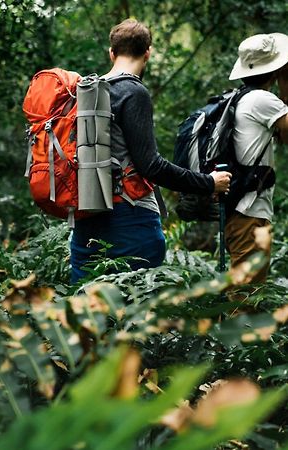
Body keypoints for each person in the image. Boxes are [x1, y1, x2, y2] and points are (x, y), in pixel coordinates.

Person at [70, 18, 231, 284]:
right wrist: (208, 183)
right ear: (148, 53)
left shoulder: (88, 91)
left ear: (111, 53)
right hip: (130, 218)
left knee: (89, 311)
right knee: (136, 311)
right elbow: (151, 166)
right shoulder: (134, 92)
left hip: (85, 217)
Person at [225, 33, 288, 283]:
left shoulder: (242, 98)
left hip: (243, 211)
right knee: (244, 300)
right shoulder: (263, 100)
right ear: (274, 71)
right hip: (249, 213)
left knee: (243, 295)